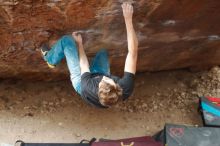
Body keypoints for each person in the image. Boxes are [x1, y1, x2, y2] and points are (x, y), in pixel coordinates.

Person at [41, 3, 138, 108]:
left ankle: (50, 59)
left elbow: (84, 65)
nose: (104, 77)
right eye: (108, 79)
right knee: (103, 52)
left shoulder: (87, 86)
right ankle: (95, 69)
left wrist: (79, 44)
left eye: (101, 82)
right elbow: (133, 53)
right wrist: (128, 19)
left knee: (67, 41)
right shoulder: (125, 87)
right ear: (117, 87)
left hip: (79, 82)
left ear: (98, 89)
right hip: (96, 76)